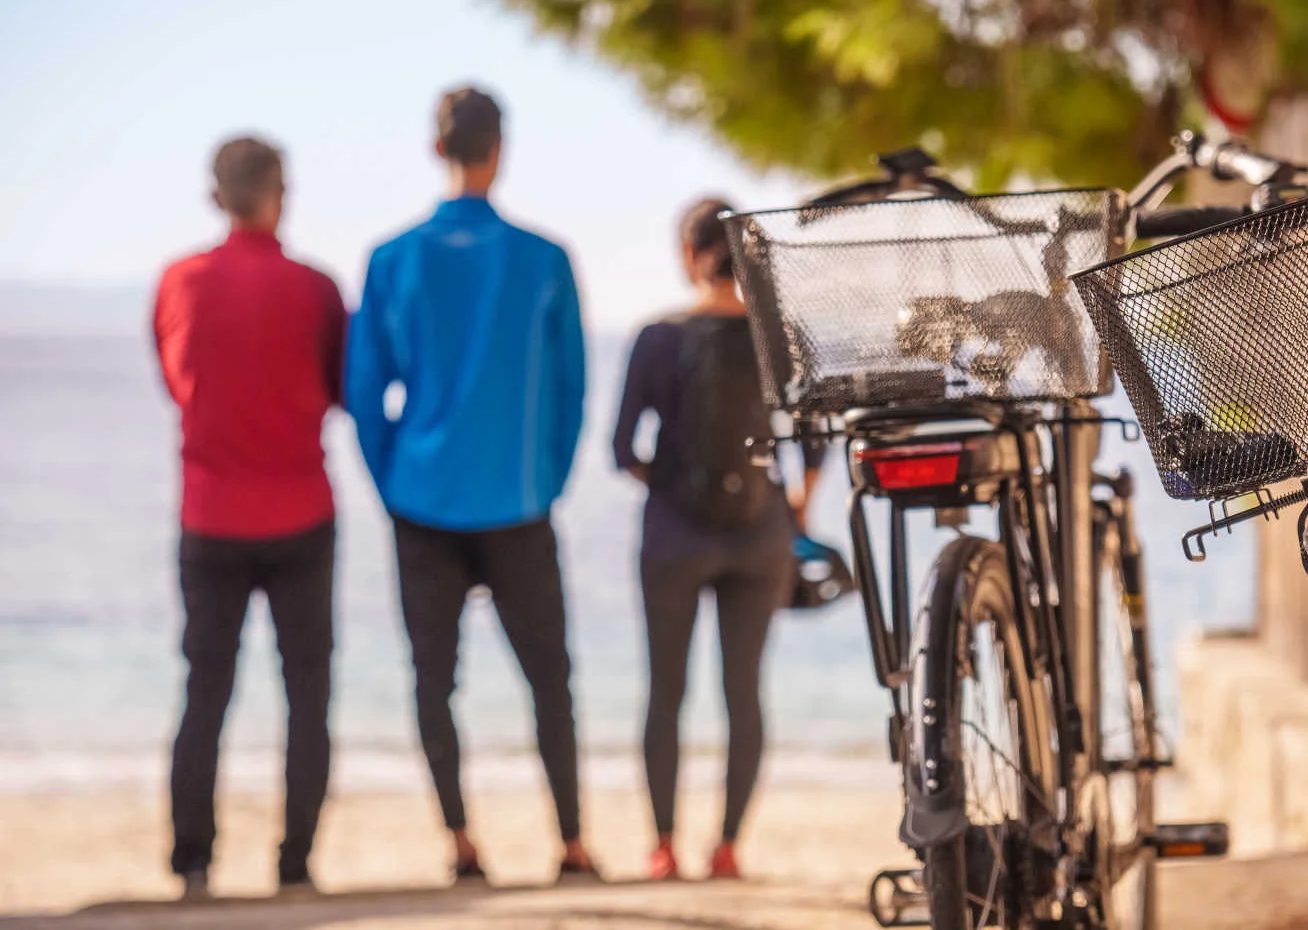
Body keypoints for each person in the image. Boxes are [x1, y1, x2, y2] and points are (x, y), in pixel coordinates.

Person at [343, 86, 594, 883]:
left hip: (422, 499)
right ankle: (572, 843)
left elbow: (363, 391)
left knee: (433, 681)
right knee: (550, 676)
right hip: (519, 500)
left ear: (435, 149)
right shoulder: (546, 260)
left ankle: (459, 843)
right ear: (500, 150)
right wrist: (547, 480)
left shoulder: (390, 260)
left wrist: (391, 479)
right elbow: (571, 391)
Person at [153, 136, 345, 899]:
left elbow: (176, 380)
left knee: (206, 689)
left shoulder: (179, 282)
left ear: (216, 194)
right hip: (300, 510)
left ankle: (193, 864)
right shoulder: (316, 289)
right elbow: (340, 385)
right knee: (307, 693)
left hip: (211, 515)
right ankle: (295, 864)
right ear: (280, 192)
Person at [612, 197, 818, 881]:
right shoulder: (780, 336)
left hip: (672, 535)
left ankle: (663, 848)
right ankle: (728, 848)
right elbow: (811, 445)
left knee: (665, 692)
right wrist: (795, 507)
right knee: (743, 692)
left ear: (687, 254)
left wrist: (669, 482)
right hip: (761, 535)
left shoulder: (657, 337)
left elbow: (621, 449)